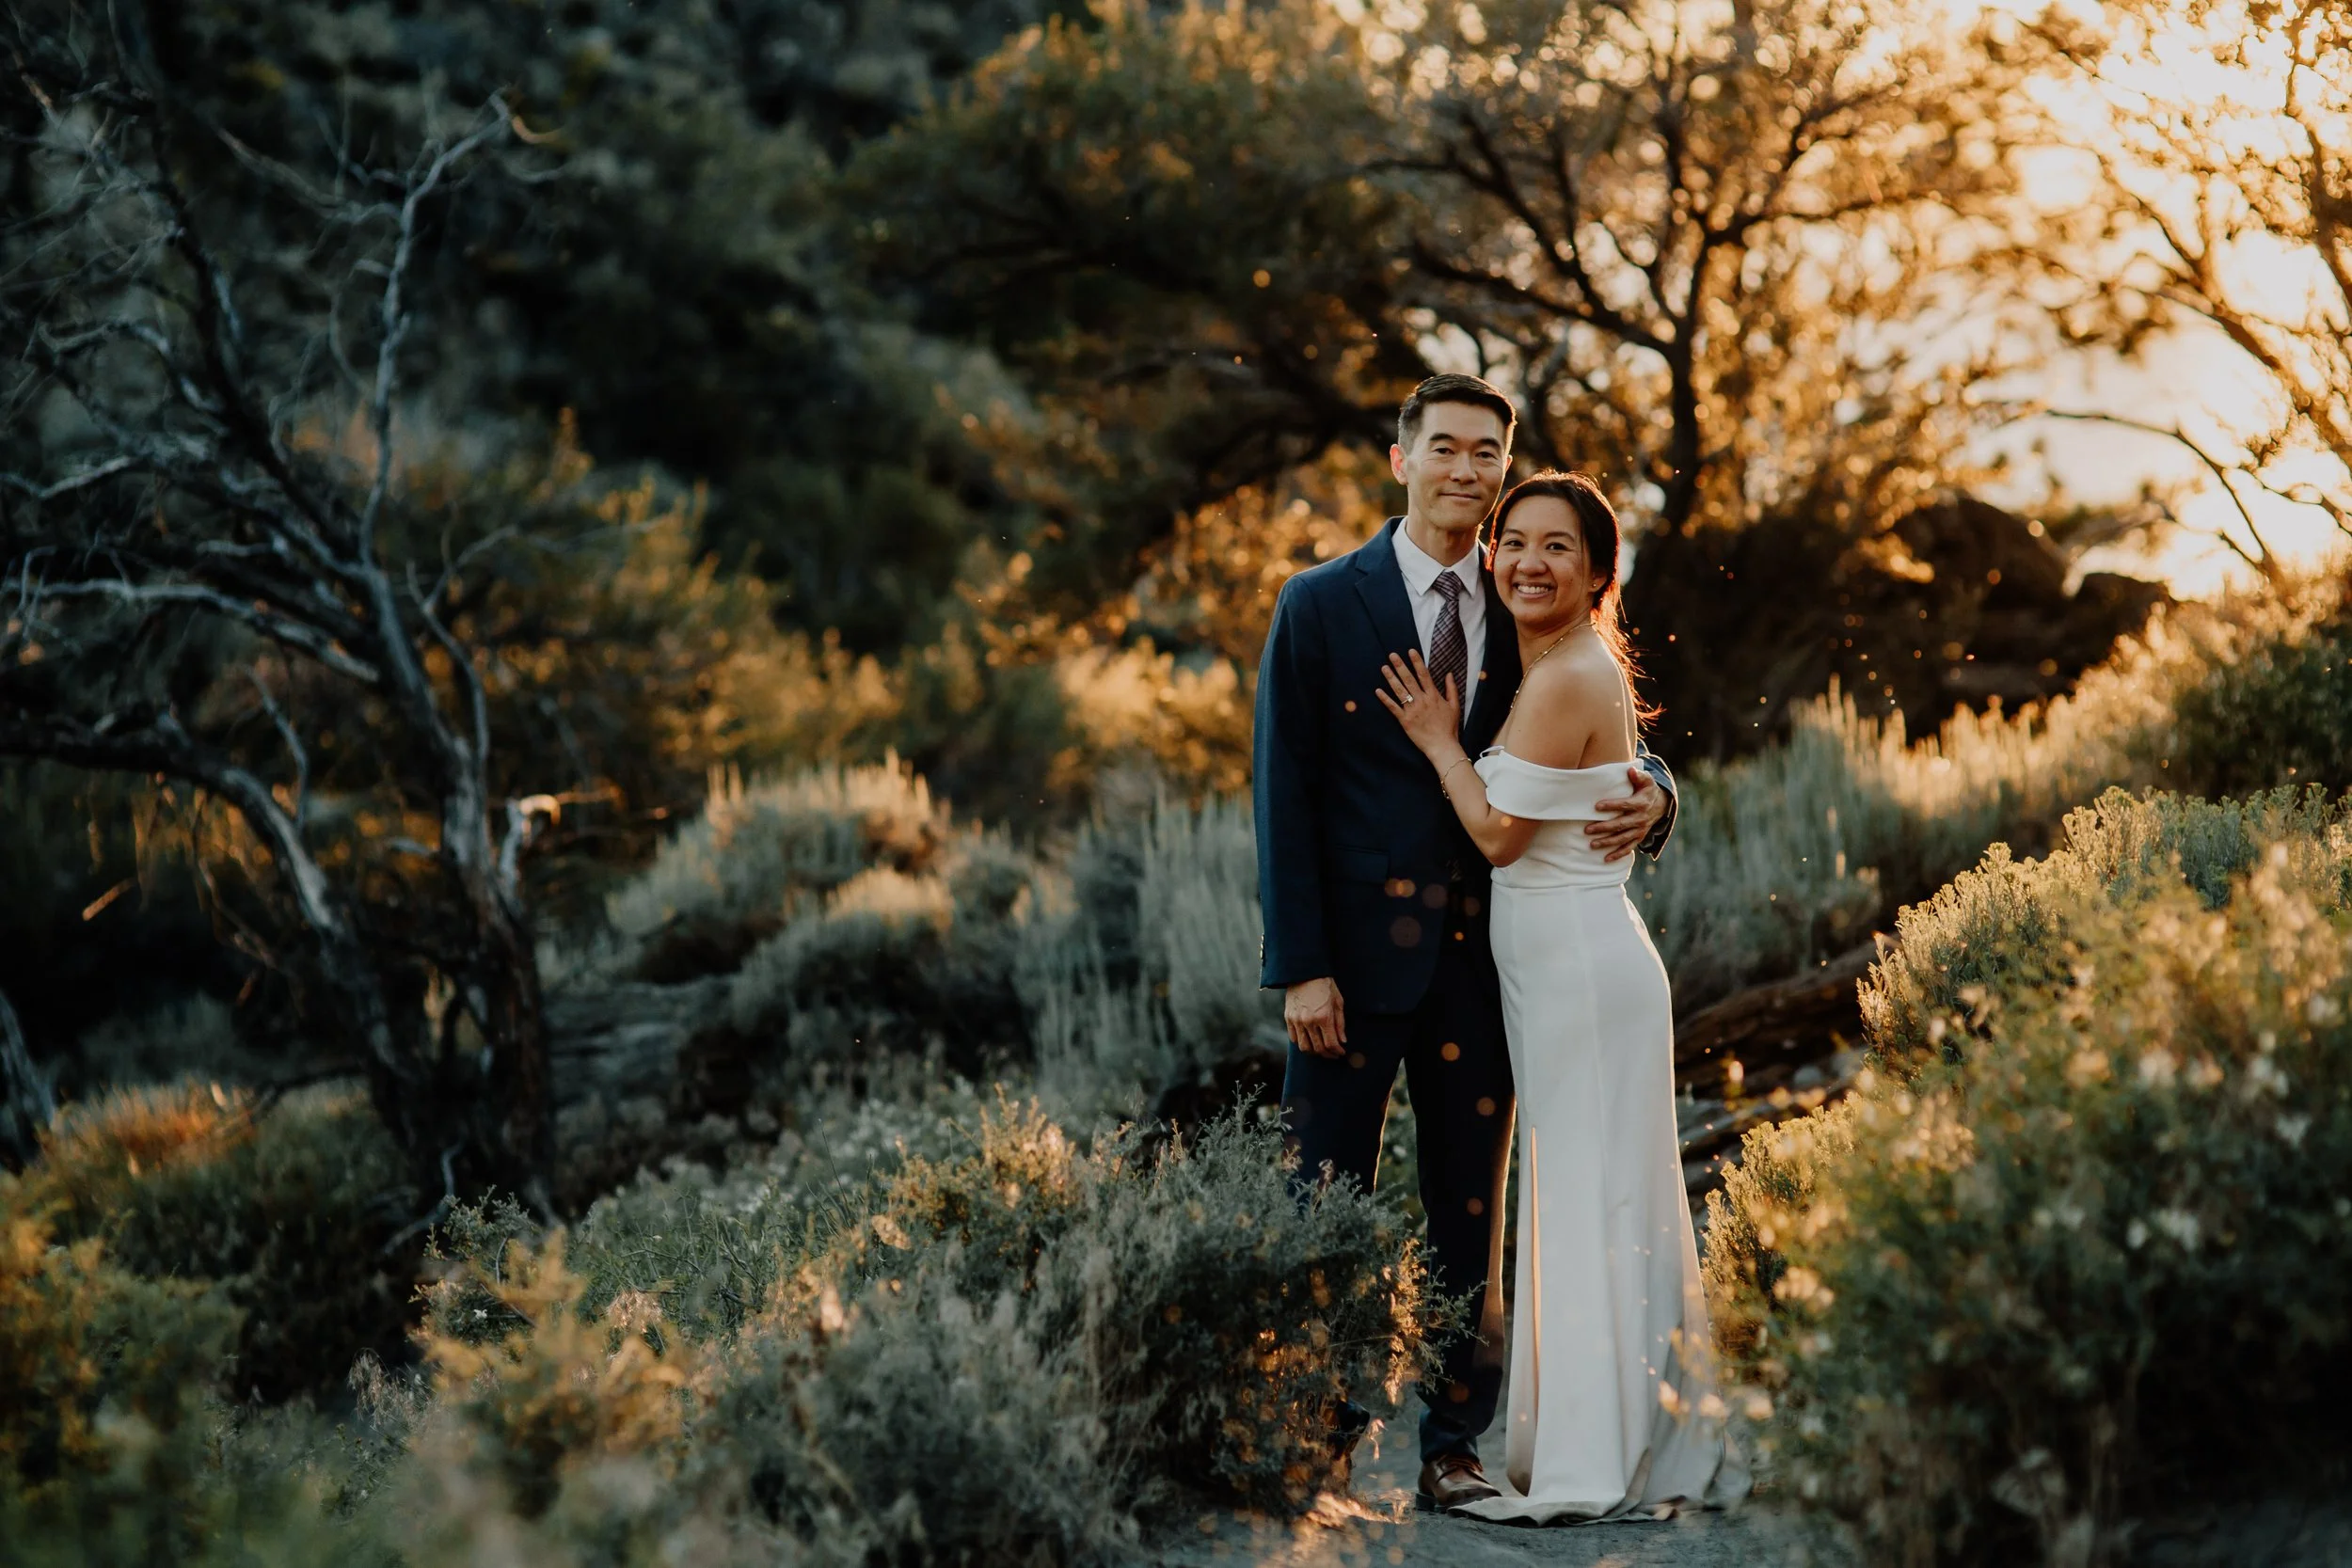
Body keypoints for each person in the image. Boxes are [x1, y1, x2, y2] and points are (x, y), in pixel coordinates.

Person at [1250, 374, 1677, 1512]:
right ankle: (1315, 1435)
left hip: (1486, 967)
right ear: (1402, 460)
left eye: (1485, 452)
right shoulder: (1319, 602)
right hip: (1345, 967)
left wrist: (1659, 792)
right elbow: (1280, 791)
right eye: (1444, 447)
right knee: (1321, 1199)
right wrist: (1298, 962)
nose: (1465, 470)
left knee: (1467, 1213)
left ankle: (1451, 1442)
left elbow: (1598, 727)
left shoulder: (1525, 600)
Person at [1375, 471, 1747, 1522]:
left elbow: (1497, 833)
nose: (1529, 562)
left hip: (1581, 971)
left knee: (1592, 1197)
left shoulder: (1566, 671)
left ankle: (1604, 1447)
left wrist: (1442, 742)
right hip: (1565, 969)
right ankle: (1624, 1431)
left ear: (1598, 572)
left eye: (1558, 548)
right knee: (1595, 1195)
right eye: (1515, 542)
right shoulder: (1552, 660)